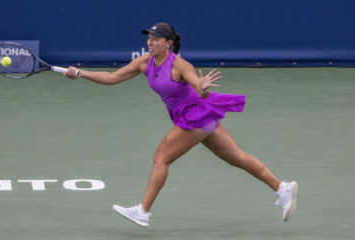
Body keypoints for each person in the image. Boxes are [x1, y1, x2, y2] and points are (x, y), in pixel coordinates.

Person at [64, 22, 298, 227]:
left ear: (168, 43)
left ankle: (143, 212)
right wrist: (81, 73)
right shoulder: (144, 62)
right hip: (197, 117)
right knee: (237, 157)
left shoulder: (179, 65)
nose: (150, 42)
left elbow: (200, 89)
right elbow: (113, 77)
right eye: (149, 38)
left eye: (155, 39)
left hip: (195, 115)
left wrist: (204, 88)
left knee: (161, 158)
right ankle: (282, 188)